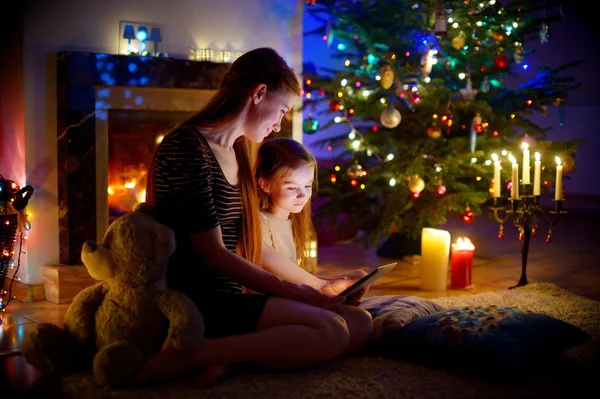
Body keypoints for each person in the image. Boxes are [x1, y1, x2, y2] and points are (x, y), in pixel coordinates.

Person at [133, 47, 373, 387]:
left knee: (360, 323)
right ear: (259, 93)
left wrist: (318, 287)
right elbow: (213, 254)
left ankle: (232, 356)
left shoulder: (238, 152)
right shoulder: (187, 148)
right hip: (196, 298)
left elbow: (252, 246)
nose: (278, 125)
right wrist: (299, 295)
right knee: (331, 329)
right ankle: (194, 352)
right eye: (282, 110)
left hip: (233, 295)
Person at [254, 136, 370, 303]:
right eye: (292, 187)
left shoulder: (292, 220)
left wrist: (331, 284)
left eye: (307, 186)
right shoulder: (261, 222)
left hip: (294, 291)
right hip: (277, 299)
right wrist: (322, 286)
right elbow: (275, 274)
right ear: (265, 184)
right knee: (360, 318)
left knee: (359, 276)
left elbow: (295, 273)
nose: (302, 195)